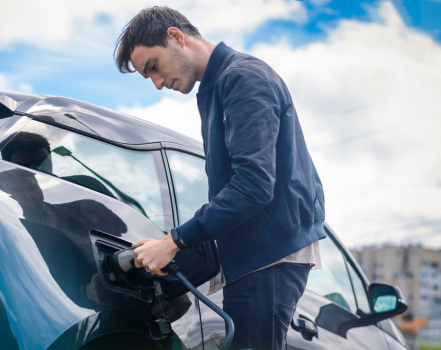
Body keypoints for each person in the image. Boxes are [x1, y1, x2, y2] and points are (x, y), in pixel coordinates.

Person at [114, 7, 326, 350]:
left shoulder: (243, 78)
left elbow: (253, 186)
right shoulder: (218, 87)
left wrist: (172, 242)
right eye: (146, 77)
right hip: (256, 254)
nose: (156, 83)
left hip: (267, 256)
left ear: (176, 37)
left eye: (153, 66)